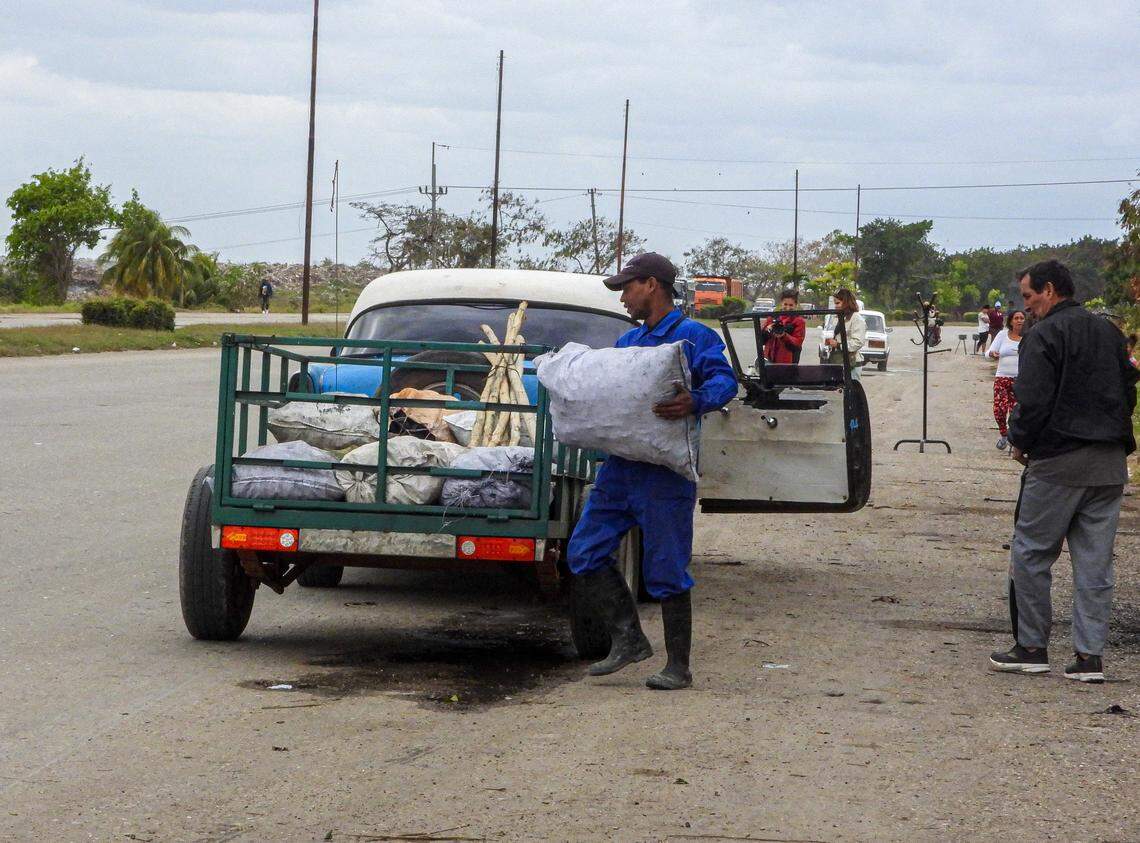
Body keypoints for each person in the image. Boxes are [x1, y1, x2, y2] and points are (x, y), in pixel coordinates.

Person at [568, 252, 738, 691]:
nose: (623, 297)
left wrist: (695, 400)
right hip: (620, 471)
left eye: (627, 288)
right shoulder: (627, 344)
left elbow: (726, 382)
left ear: (652, 285)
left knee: (666, 570)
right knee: (584, 552)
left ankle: (678, 667)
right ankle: (628, 639)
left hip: (664, 475)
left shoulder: (693, 336)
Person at [989, 259, 1138, 683]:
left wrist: (1021, 439)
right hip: (1109, 465)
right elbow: (1130, 386)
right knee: (1095, 564)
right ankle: (1089, 658)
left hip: (1058, 462)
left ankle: (1032, 647)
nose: (1027, 305)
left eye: (1030, 296)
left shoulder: (1044, 334)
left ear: (1050, 290)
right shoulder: (1109, 332)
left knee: (1032, 552)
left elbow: (1032, 398)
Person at [987, 309, 1025, 450]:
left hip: (1019, 380)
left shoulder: (1028, 337)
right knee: (1000, 409)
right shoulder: (1003, 335)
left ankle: (1014, 438)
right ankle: (1004, 434)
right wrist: (992, 353)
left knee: (1016, 411)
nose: (1019, 320)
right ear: (1010, 321)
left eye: (1022, 318)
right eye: (1016, 318)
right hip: (1002, 378)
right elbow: (988, 353)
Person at [823, 288, 866, 381]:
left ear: (846, 302)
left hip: (852, 363)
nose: (835, 306)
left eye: (837, 303)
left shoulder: (856, 319)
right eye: (835, 303)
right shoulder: (839, 317)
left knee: (851, 392)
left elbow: (857, 342)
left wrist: (838, 345)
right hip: (838, 361)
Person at [760, 288, 807, 365]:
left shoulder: (799, 321)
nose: (788, 308)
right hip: (769, 361)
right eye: (785, 304)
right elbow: (760, 340)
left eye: (791, 305)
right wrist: (767, 331)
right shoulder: (772, 318)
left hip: (788, 363)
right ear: (781, 303)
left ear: (796, 305)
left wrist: (784, 335)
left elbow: (797, 344)